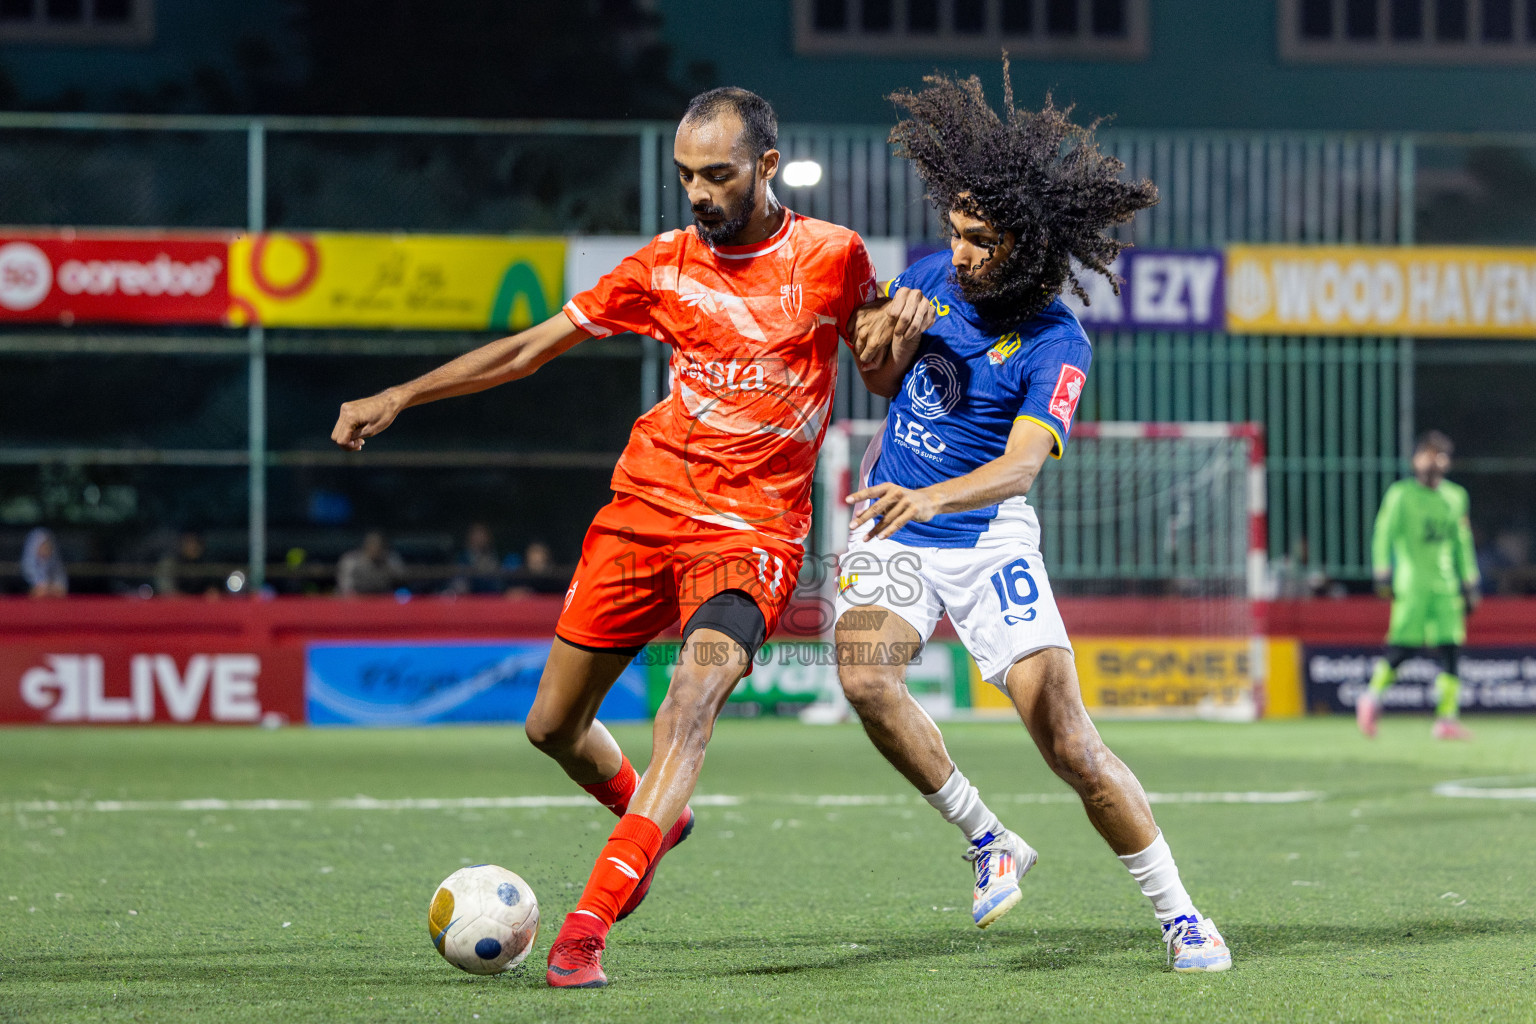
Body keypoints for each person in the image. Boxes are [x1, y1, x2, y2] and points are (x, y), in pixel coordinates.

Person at [330, 86, 933, 988]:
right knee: (551, 727)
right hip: (643, 513)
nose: (697, 192)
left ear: (766, 167)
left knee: (686, 710)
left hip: (754, 534)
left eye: (717, 175)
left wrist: (900, 339)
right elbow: (529, 349)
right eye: (686, 175)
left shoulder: (833, 257)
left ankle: (585, 930)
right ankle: (655, 821)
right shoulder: (661, 266)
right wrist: (402, 395)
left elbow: (878, 378)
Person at [831, 65, 1231, 974]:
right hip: (897, 529)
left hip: (983, 537)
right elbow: (886, 382)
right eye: (955, 231)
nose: (959, 251)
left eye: (980, 238)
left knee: (1071, 743)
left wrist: (931, 494)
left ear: (1027, 242)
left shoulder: (1058, 341)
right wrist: (884, 348)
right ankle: (988, 841)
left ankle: (1181, 916)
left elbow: (1019, 467)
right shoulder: (931, 275)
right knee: (864, 678)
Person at [1356, 430, 1480, 741]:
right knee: (1403, 647)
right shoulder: (1401, 495)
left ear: (1447, 462)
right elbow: (1383, 533)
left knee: (1451, 647)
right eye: (1427, 455)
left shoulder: (1455, 496)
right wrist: (1382, 570)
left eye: (1439, 456)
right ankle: (1371, 698)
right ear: (1415, 460)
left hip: (1446, 585)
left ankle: (1447, 718)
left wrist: (1470, 581)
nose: (1433, 462)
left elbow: (1461, 542)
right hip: (1411, 585)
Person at [336, 530, 405, 596]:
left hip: (383, 597)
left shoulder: (390, 559)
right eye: (372, 544)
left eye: (379, 545)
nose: (375, 547)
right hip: (357, 597)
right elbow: (345, 584)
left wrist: (385, 564)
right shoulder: (351, 560)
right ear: (365, 545)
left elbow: (401, 579)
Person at [21, 527, 67, 597]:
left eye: (48, 546)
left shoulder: (56, 567)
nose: (46, 549)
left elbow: (62, 590)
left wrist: (50, 590)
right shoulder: (23, 572)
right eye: (43, 546)